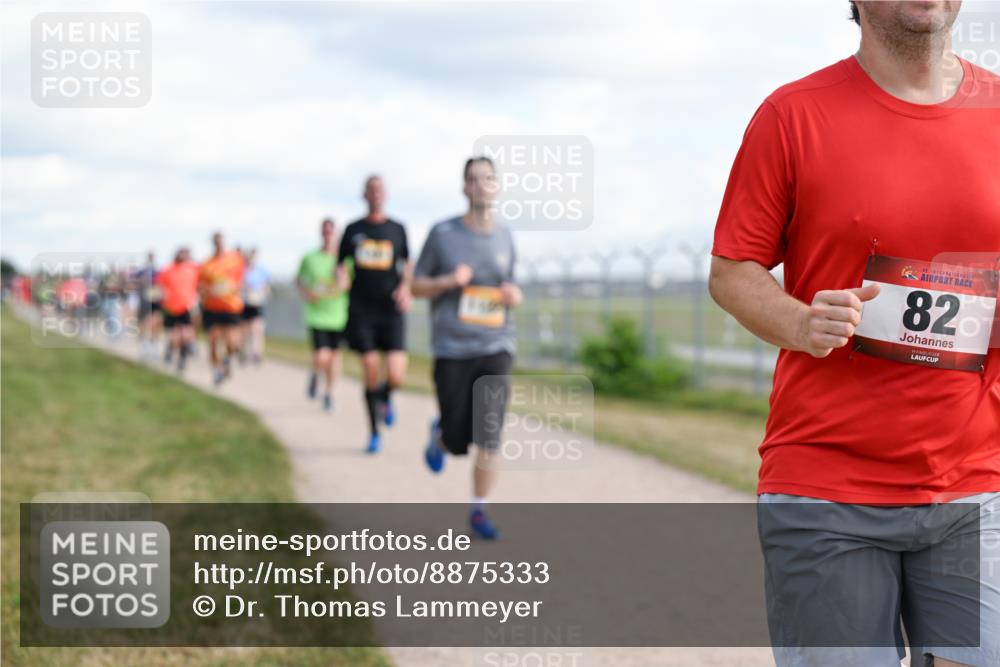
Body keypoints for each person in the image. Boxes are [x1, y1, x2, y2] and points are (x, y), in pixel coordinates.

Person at [709, 2, 1000, 666]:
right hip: (827, 488)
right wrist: (802, 321)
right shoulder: (793, 114)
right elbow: (732, 272)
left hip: (975, 483)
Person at [412, 156, 522, 540]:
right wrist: (447, 280)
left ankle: (479, 509)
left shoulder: (506, 236)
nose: (481, 186)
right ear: (464, 188)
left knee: (490, 432)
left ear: (497, 186)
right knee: (459, 439)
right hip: (452, 348)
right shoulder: (442, 234)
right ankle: (441, 437)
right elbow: (415, 286)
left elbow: (511, 285)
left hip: (495, 344)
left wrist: (514, 295)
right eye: (473, 180)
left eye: (488, 179)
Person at [336, 175, 412, 453]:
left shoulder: (398, 229)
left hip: (390, 310)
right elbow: (341, 264)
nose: (376, 194)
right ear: (364, 195)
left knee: (396, 375)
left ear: (386, 194)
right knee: (369, 368)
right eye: (371, 189)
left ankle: (385, 396)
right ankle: (374, 432)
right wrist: (342, 277)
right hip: (362, 309)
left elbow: (408, 263)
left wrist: (406, 288)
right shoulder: (353, 229)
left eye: (380, 189)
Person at [297, 218, 350, 412]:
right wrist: (306, 293)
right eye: (325, 231)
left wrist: (341, 276)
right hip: (317, 315)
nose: (328, 235)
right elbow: (299, 279)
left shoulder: (345, 259)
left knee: (335, 358)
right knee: (322, 356)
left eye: (331, 231)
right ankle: (315, 374)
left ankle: (329, 393)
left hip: (339, 316)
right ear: (321, 233)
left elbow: (348, 285)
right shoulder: (310, 257)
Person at [198, 231, 246, 386]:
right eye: (216, 241)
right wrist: (208, 291)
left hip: (231, 306)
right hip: (212, 307)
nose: (219, 244)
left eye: (221, 241)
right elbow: (200, 286)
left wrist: (235, 287)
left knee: (232, 343)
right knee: (213, 341)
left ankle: (227, 361)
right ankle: (217, 371)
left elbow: (241, 280)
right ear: (213, 243)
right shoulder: (207, 263)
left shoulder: (235, 260)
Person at [157, 247, 199, 374]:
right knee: (174, 336)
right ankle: (170, 350)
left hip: (186, 306)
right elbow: (160, 287)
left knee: (185, 335)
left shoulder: (193, 269)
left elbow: (199, 285)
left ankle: (182, 359)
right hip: (170, 307)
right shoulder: (167, 270)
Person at [240, 247, 270, 365]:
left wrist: (264, 292)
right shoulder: (242, 270)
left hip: (258, 303)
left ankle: (257, 353)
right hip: (245, 303)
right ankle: (243, 351)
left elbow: (266, 286)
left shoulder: (262, 270)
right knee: (245, 330)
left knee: (257, 329)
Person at [135, 251, 163, 361]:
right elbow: (137, 283)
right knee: (144, 321)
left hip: (155, 299)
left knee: (156, 321)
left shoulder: (158, 271)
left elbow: (161, 284)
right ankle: (144, 345)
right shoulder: (142, 271)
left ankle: (153, 345)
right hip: (145, 299)